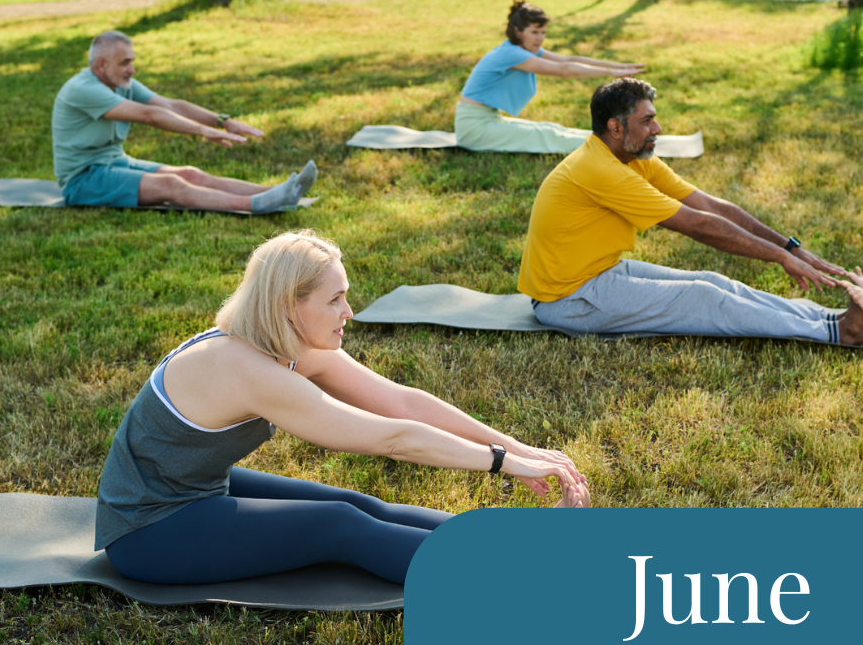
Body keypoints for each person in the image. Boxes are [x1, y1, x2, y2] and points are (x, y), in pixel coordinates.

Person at [96, 231, 590, 586]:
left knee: (359, 505)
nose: (349, 313)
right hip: (150, 530)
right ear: (291, 305)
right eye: (335, 300)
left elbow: (402, 402)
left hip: (200, 488)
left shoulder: (282, 338)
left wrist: (515, 445)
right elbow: (391, 438)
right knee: (339, 524)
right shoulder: (246, 368)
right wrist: (502, 463)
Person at [518, 78, 863, 346]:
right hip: (567, 298)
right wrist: (777, 257)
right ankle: (839, 333)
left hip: (597, 273)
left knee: (712, 281)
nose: (657, 129)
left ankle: (831, 319)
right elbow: (698, 226)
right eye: (646, 121)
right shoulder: (600, 170)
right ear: (615, 128)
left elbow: (710, 206)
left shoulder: (633, 158)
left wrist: (789, 247)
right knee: (702, 298)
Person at [53, 30, 316, 214]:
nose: (132, 69)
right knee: (172, 185)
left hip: (116, 162)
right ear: (101, 65)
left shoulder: (121, 82)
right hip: (83, 179)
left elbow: (170, 105)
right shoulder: (83, 89)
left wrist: (222, 121)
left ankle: (282, 192)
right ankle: (256, 204)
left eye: (132, 61)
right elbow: (150, 116)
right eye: (125, 63)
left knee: (190, 173)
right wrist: (204, 131)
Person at [456, 0, 647, 154]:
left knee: (551, 129)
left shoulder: (520, 49)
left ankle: (612, 141)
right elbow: (563, 69)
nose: (540, 38)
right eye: (534, 32)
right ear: (517, 31)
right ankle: (614, 147)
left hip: (488, 120)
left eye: (543, 32)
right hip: (474, 128)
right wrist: (610, 72)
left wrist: (616, 66)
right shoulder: (511, 54)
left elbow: (569, 58)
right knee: (545, 135)